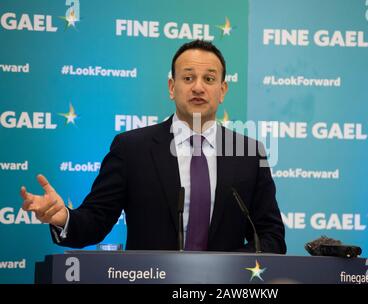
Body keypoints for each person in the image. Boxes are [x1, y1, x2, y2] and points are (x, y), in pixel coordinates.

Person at [20, 40, 286, 253]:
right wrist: (63, 217)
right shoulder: (131, 149)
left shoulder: (249, 153)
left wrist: (223, 267)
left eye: (209, 79)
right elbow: (96, 221)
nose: (198, 87)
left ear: (223, 90)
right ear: (172, 87)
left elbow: (271, 237)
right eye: (188, 78)